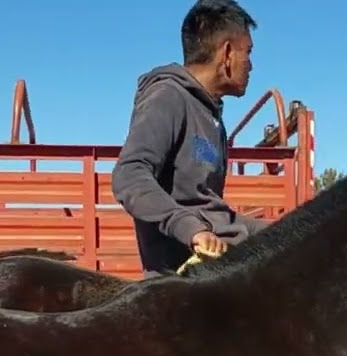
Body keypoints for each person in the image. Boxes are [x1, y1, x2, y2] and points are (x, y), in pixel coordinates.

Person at [112, 0, 269, 278]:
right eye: (249, 52)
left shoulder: (212, 118)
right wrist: (191, 229)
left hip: (213, 268)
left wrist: (287, 229)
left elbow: (213, 211)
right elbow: (129, 176)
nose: (252, 65)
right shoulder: (169, 98)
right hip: (180, 283)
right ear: (228, 53)